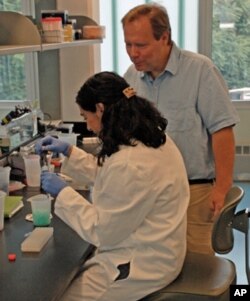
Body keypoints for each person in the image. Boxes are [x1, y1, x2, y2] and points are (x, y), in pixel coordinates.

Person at [35, 71, 189, 301]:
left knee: (60, 296)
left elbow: (102, 231)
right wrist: (69, 151)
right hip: (157, 246)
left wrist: (64, 193)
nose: (88, 126)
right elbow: (112, 175)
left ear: (100, 109)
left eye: (86, 116)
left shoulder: (131, 163)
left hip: (140, 263)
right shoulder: (148, 136)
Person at [121, 3, 239, 255]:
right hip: (147, 195)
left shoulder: (200, 71)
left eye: (140, 45)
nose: (133, 53)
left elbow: (222, 131)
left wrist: (222, 188)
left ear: (164, 37)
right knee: (153, 269)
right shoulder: (131, 77)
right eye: (128, 44)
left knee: (198, 268)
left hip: (193, 192)